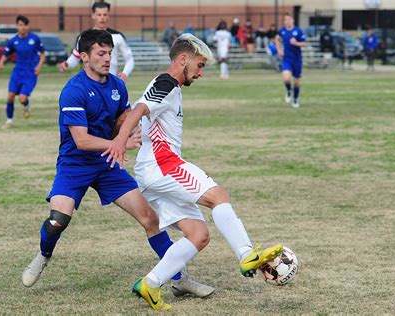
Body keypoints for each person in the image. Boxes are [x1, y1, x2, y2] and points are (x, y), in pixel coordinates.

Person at [21, 29, 213, 299]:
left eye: (110, 53)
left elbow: (122, 119)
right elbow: (81, 140)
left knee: (151, 219)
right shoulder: (73, 91)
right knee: (58, 220)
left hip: (107, 165)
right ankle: (43, 255)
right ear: (85, 57)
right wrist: (117, 144)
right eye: (101, 53)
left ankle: (179, 279)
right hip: (75, 165)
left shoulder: (117, 85)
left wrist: (132, 131)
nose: (108, 58)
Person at [103, 34, 283, 310]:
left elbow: (135, 111)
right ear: (183, 60)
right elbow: (139, 109)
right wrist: (119, 141)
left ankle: (150, 284)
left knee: (198, 234)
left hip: (154, 171)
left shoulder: (168, 86)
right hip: (164, 165)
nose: (201, 73)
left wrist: (125, 132)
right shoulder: (166, 82)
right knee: (218, 196)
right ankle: (246, 254)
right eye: (199, 65)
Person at [59, 1, 134, 84]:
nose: (102, 18)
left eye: (105, 15)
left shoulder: (117, 36)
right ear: (93, 15)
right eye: (99, 15)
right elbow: (76, 57)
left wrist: (125, 74)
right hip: (89, 83)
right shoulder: (84, 37)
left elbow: (130, 59)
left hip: (111, 83)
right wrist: (67, 64)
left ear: (108, 15)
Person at [0, 15, 46, 128]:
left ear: (28, 26)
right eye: (20, 25)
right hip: (17, 72)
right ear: (17, 26)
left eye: (25, 25)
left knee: (22, 98)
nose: (23, 27)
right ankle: (9, 121)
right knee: (10, 96)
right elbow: (6, 54)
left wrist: (39, 67)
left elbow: (43, 54)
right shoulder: (13, 41)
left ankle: (26, 105)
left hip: (30, 73)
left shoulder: (34, 39)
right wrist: (1, 63)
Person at [275, 13, 307, 109]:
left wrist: (296, 43)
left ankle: (295, 100)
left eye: (289, 19)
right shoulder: (282, 31)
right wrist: (279, 50)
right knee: (286, 79)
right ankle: (289, 90)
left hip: (297, 60)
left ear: (292, 20)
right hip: (287, 59)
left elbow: (304, 44)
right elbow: (276, 40)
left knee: (297, 82)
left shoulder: (298, 31)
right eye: (285, 20)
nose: (287, 21)